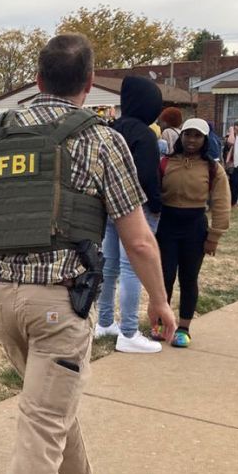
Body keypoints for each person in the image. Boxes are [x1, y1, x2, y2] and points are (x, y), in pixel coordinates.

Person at [0, 34, 177, 474]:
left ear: (37, 79)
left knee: (53, 409)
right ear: (90, 82)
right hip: (59, 306)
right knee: (43, 424)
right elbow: (137, 239)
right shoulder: (101, 140)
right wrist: (159, 300)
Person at [95, 76, 164, 353]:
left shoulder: (111, 129)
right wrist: (157, 205)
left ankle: (104, 322)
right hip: (136, 207)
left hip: (108, 207)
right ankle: (129, 331)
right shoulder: (144, 135)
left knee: (109, 267)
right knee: (132, 268)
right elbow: (147, 176)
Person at [154, 118, 231, 348]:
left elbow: (221, 202)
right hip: (167, 226)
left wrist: (214, 236)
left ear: (205, 140)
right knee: (164, 278)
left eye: (197, 136)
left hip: (195, 227)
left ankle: (183, 328)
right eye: (188, 135)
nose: (191, 140)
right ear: (181, 136)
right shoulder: (165, 163)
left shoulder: (212, 168)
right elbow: (152, 194)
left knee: (189, 279)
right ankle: (160, 323)